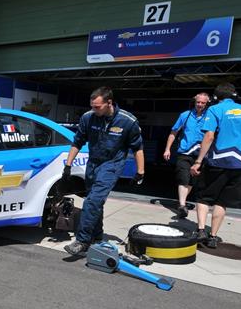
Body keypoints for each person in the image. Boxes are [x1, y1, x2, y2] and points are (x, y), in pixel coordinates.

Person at [62, 86, 145, 256]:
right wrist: (67, 166)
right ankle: (97, 237)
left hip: (112, 165)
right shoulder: (88, 118)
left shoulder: (127, 121)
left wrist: (140, 171)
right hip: (93, 164)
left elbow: (138, 148)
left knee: (92, 202)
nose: (94, 109)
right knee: (95, 202)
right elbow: (77, 142)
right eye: (92, 106)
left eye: (97, 107)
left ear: (109, 103)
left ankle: (82, 241)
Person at [190, 83, 241, 248]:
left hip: (219, 160)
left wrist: (198, 161)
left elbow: (209, 136)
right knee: (222, 201)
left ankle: (201, 230)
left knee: (204, 196)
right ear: (234, 95)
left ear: (216, 97)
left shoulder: (215, 109)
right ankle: (213, 237)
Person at [163, 93, 210, 218]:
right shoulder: (185, 115)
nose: (200, 105)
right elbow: (174, 132)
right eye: (198, 102)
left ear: (207, 103)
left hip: (200, 154)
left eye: (203, 103)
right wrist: (167, 149)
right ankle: (182, 205)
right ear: (194, 102)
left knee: (191, 181)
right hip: (184, 152)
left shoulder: (210, 117)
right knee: (183, 177)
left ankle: (182, 201)